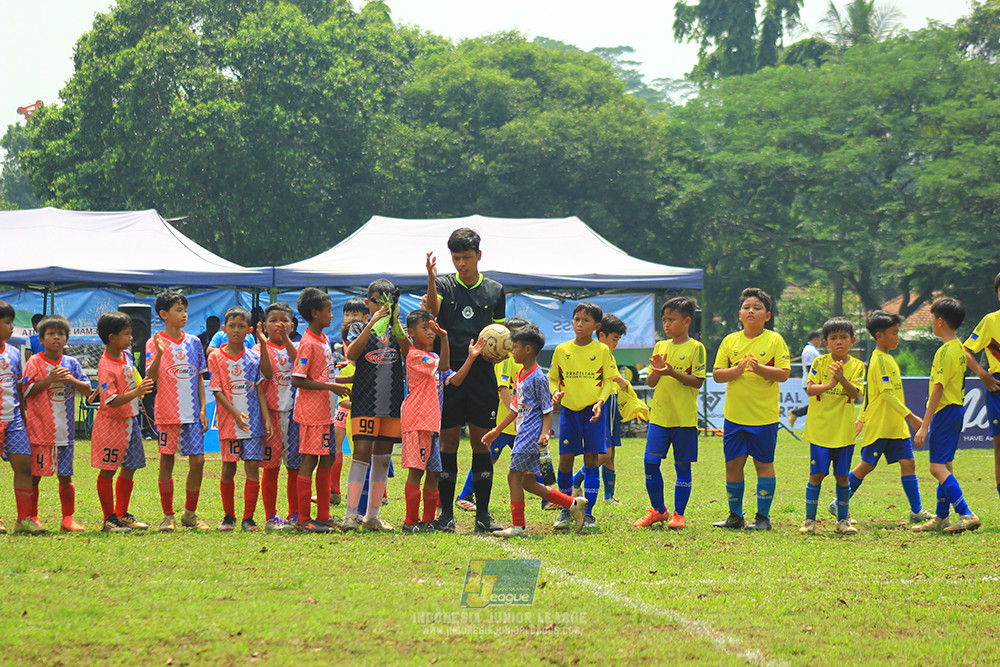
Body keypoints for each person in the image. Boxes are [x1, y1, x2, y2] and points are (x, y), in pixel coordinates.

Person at [425, 230, 506, 534]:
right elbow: (432, 312)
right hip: (448, 374)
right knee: (447, 443)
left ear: (478, 256)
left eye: (467, 257)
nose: (461, 263)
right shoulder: (444, 284)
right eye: (456, 258)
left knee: (481, 443)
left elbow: (500, 332)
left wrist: (498, 352)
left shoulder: (495, 290)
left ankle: (483, 515)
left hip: (482, 376)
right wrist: (431, 278)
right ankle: (446, 514)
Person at [484, 325, 587, 536]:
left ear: (528, 349)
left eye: (515, 347)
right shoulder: (520, 375)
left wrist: (545, 433)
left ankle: (518, 526)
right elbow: (514, 409)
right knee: (528, 482)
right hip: (523, 433)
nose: (512, 351)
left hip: (531, 435)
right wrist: (496, 431)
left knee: (513, 476)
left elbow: (548, 410)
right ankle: (573, 503)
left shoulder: (538, 377)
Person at [832, 310, 931, 523]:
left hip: (895, 426)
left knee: (908, 462)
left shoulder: (888, 358)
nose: (897, 337)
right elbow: (885, 395)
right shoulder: (879, 360)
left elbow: (872, 394)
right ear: (879, 336)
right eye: (893, 333)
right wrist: (911, 417)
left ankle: (916, 511)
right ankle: (838, 503)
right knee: (867, 465)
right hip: (881, 425)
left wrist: (861, 419)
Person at [711, 288, 791, 532]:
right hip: (735, 417)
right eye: (746, 307)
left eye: (757, 308)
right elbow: (717, 374)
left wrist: (759, 369)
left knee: (763, 464)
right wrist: (736, 371)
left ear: (767, 316)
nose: (751, 311)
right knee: (733, 465)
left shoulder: (774, 340)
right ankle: (735, 516)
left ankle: (763, 518)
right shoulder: (730, 341)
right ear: (739, 314)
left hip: (764, 418)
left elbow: (784, 373)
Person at [401, 309, 483, 533]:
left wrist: (471, 357)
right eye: (424, 328)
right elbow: (444, 367)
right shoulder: (416, 356)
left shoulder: (434, 359)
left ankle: (428, 520)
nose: (430, 332)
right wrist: (445, 338)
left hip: (432, 424)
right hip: (418, 421)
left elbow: (454, 379)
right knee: (416, 471)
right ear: (411, 333)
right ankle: (410, 522)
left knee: (434, 472)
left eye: (432, 328)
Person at [342, 279, 409, 532]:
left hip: (391, 402)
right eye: (376, 301)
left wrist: (395, 323)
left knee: (382, 458)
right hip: (365, 400)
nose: (381, 306)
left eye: (387, 302)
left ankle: (372, 516)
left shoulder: (398, 328)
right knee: (361, 454)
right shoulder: (359, 326)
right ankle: (350, 515)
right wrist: (372, 324)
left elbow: (408, 353)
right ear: (368, 302)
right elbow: (351, 354)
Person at [634, 297, 705, 530]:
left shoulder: (696, 348)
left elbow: (697, 382)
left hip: (684, 419)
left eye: (671, 319)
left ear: (686, 321)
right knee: (650, 462)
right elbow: (651, 382)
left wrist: (672, 372)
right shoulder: (660, 346)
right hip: (660, 418)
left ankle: (679, 514)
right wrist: (657, 370)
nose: (666, 324)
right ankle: (658, 510)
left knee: (682, 467)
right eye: (664, 320)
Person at [549, 301, 620, 533]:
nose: (580, 324)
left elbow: (608, 381)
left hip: (593, 413)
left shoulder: (602, 351)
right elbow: (553, 379)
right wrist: (555, 393)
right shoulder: (562, 350)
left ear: (596, 326)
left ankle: (588, 514)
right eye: (577, 319)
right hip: (569, 412)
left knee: (591, 460)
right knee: (565, 461)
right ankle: (565, 508)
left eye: (586, 320)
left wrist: (600, 402)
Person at [912, 298, 981, 533]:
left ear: (940, 321)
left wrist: (924, 425)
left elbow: (938, 388)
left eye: (932, 319)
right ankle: (941, 517)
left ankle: (966, 513)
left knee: (936, 468)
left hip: (945, 411)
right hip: (957, 410)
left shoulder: (944, 351)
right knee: (945, 466)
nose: (931, 323)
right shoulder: (960, 348)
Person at [145, 290, 210, 532]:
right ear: (164, 314)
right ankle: (168, 516)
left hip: (192, 414)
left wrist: (203, 409)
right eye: (178, 310)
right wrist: (160, 353)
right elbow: (150, 378)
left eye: (185, 310)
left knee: (199, 461)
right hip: (167, 412)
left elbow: (200, 377)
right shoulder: (154, 342)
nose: (184, 315)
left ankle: (189, 514)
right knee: (166, 461)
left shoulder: (194, 342)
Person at [22, 315, 92, 532]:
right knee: (35, 476)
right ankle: (32, 517)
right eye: (51, 334)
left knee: (66, 476)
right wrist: (48, 380)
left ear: (66, 340)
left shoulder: (72, 363)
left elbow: (87, 390)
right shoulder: (34, 362)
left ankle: (68, 519)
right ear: (41, 340)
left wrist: (70, 379)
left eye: (61, 334)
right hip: (40, 432)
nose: (56, 337)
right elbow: (25, 391)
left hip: (65, 434)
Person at [455, 317, 531, 513]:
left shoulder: (522, 360)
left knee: (531, 459)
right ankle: (464, 496)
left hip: (517, 424)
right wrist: (515, 414)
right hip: (504, 423)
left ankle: (550, 498)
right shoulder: (505, 360)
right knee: (488, 458)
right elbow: (503, 388)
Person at [291, 288, 351, 533]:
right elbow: (297, 379)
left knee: (328, 458)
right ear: (315, 313)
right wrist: (330, 386)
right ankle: (304, 518)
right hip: (312, 414)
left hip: (326, 411)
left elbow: (323, 375)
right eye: (328, 310)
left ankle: (324, 515)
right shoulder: (307, 343)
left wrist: (345, 380)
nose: (332, 315)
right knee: (310, 460)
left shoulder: (323, 339)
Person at [209, 306, 273, 532]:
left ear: (249, 330)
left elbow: (259, 389)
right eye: (232, 326)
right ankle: (229, 516)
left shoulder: (254, 357)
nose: (236, 330)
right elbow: (217, 390)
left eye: (241, 326)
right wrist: (235, 413)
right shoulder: (216, 357)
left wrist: (266, 418)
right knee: (228, 467)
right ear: (224, 329)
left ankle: (249, 518)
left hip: (253, 423)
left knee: (252, 466)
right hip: (229, 422)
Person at [798, 317, 864, 535]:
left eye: (843, 337)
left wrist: (842, 379)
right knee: (816, 475)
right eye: (833, 338)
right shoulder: (819, 363)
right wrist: (830, 384)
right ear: (826, 343)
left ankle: (842, 521)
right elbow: (810, 389)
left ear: (852, 341)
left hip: (844, 432)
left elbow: (855, 394)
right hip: (820, 430)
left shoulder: (857, 366)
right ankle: (809, 521)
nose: (839, 342)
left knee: (843, 477)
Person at [91, 311, 156, 533]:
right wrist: (136, 392)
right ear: (112, 338)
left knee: (130, 467)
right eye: (127, 334)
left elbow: (132, 380)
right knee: (108, 470)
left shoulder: (126, 355)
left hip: (131, 420)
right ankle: (108, 519)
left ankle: (121, 514)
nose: (131, 338)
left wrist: (139, 389)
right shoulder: (105, 365)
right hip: (111, 424)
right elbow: (110, 400)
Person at [571, 314, 630, 504]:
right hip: (604, 402)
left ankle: (609, 496)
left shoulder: (605, 352)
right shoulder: (598, 351)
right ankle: (575, 482)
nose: (616, 344)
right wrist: (622, 381)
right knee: (605, 453)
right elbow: (609, 376)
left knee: (611, 453)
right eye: (614, 339)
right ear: (602, 334)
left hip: (610, 401)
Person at [257, 302, 299, 530]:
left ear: (292, 326)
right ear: (264, 326)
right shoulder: (258, 350)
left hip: (295, 415)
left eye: (284, 321)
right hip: (271, 415)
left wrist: (287, 341)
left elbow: (300, 363)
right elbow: (266, 375)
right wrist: (264, 345)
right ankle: (271, 516)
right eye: (273, 321)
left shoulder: (299, 346)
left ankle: (295, 514)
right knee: (271, 467)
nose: (278, 325)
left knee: (295, 467)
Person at [0, 300, 40, 534]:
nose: (12, 327)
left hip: (13, 418)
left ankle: (24, 520)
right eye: (7, 322)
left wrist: (23, 417)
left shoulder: (14, 353)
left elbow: (18, 388)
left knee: (25, 466)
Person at [962, 271, 1000, 508]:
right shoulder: (990, 321)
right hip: (997, 387)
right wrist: (982, 374)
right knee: (999, 450)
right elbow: (965, 350)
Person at [331, 297, 368, 506]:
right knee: (336, 441)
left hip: (359, 399)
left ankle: (376, 492)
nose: (350, 318)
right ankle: (334, 490)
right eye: (347, 314)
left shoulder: (367, 336)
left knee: (363, 448)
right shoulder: (344, 338)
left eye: (355, 314)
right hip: (344, 398)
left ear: (366, 317)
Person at [789, 330, 822, 429]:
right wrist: (815, 381)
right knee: (819, 404)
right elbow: (810, 367)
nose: (820, 342)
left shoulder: (813, 350)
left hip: (815, 382)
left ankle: (797, 414)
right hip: (811, 382)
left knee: (818, 404)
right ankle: (795, 413)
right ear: (816, 338)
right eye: (820, 340)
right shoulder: (809, 350)